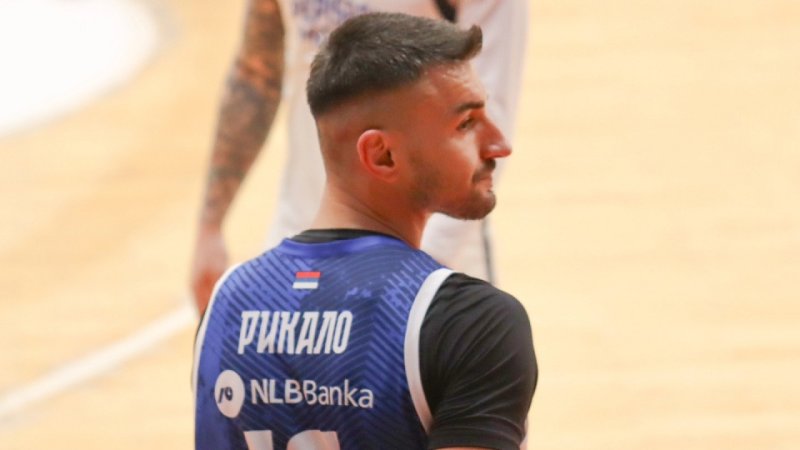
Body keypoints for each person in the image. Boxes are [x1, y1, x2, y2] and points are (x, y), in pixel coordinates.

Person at [192, 12, 537, 449]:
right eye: (466, 124)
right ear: (382, 154)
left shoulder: (227, 306)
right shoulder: (473, 323)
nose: (500, 146)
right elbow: (255, 68)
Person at [190, 0, 529, 313]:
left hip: (432, 257)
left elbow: (486, 110)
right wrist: (210, 225)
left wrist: (419, 266)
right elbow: (256, 74)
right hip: (302, 237)